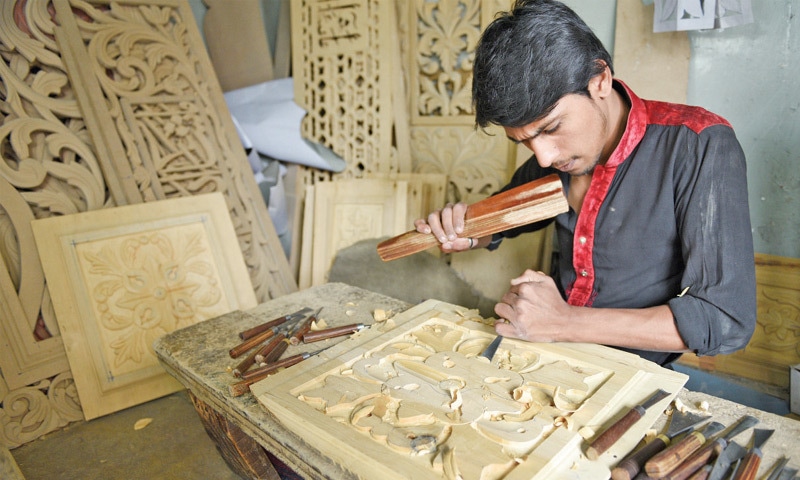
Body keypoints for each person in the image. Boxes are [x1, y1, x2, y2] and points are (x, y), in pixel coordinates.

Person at [414, 0, 756, 367]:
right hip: (548, 354)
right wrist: (469, 230)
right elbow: (508, 215)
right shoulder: (560, 155)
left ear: (600, 81)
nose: (543, 157)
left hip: (635, 371)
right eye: (524, 141)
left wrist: (564, 321)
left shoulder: (698, 145)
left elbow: (725, 320)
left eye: (551, 128)